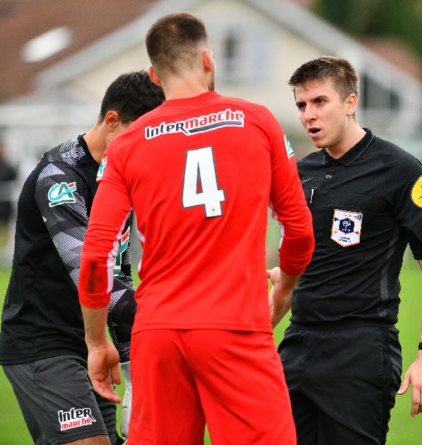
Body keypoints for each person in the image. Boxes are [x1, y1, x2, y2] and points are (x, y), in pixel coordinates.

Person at [78, 12, 314, 445]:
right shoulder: (258, 121)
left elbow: (94, 257)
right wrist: (284, 289)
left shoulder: (127, 145)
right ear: (209, 60)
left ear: (154, 73)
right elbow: (298, 229)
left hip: (158, 333)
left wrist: (96, 343)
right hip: (235, 326)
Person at [274, 56, 422, 445]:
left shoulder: (399, 169)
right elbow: (301, 263)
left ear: (350, 103)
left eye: (320, 102)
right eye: (302, 105)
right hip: (297, 344)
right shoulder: (300, 173)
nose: (308, 115)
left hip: (360, 350)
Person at [0, 71, 164, 445]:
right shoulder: (60, 176)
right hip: (41, 345)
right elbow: (89, 272)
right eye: (140, 136)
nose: (148, 149)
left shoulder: (121, 175)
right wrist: (172, 315)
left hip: (88, 345)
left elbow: (118, 269)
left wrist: (130, 362)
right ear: (111, 121)